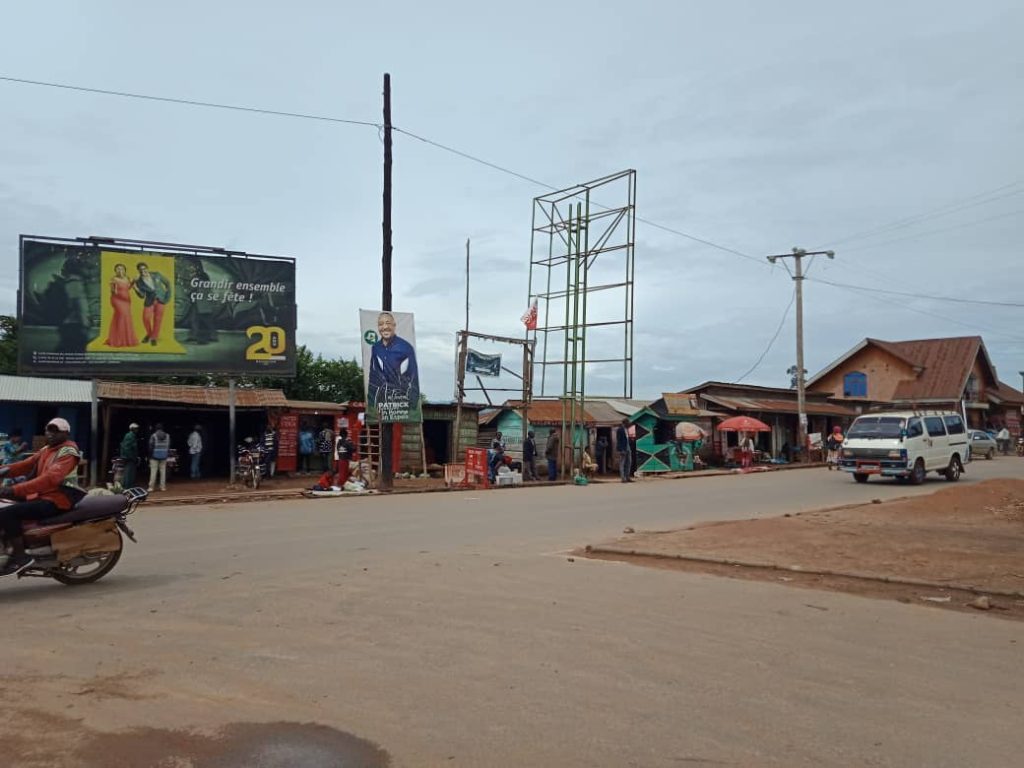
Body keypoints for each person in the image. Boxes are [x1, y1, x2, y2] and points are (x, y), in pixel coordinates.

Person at [0, 417, 83, 576]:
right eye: (48, 430)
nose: (50, 434)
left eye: (55, 430)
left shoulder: (68, 451)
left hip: (58, 499)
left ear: (66, 433)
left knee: (8, 513)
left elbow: (50, 479)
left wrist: (14, 489)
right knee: (5, 503)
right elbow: (24, 465)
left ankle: (20, 556)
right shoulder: (46, 449)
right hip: (42, 494)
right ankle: (8, 544)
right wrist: (3, 469)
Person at [368, 312, 419, 418]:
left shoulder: (406, 348)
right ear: (378, 327)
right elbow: (373, 375)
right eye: (381, 324)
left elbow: (413, 376)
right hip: (382, 403)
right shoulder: (376, 348)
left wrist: (412, 405)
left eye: (388, 323)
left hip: (400, 402)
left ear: (394, 325)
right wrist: (372, 403)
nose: (385, 327)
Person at [133, 262, 171, 346]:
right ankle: (149, 334)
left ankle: (154, 338)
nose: (143, 271)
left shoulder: (156, 274)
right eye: (140, 270)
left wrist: (167, 297)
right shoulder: (139, 281)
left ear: (147, 268)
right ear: (139, 271)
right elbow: (142, 296)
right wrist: (136, 288)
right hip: (149, 301)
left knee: (158, 320)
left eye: (144, 269)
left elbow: (167, 283)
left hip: (160, 300)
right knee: (146, 318)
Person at [105, 263, 138, 347]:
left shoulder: (127, 278)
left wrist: (133, 281)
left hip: (127, 301)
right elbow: (113, 293)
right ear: (115, 270)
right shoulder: (114, 279)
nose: (120, 270)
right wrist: (112, 286)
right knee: (121, 316)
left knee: (126, 318)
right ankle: (118, 341)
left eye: (122, 269)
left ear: (124, 270)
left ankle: (125, 340)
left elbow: (128, 288)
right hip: (117, 300)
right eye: (118, 269)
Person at [148, 423, 171, 492]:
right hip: (164, 455)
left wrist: (150, 455)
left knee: (153, 471)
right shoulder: (167, 436)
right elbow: (168, 446)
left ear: (156, 428)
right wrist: (166, 453)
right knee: (163, 472)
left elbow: (150, 446)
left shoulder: (153, 436)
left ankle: (151, 487)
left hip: (154, 456)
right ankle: (163, 487)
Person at [119, 423, 140, 488]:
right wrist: (132, 457)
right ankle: (127, 487)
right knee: (129, 473)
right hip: (129, 458)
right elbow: (127, 448)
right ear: (133, 429)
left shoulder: (131, 435)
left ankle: (127, 486)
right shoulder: (130, 436)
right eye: (136, 429)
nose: (137, 430)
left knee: (128, 472)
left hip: (129, 457)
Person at [616, 419, 632, 483]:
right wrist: (621, 449)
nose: (629, 424)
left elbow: (627, 439)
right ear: (625, 423)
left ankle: (627, 477)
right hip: (623, 449)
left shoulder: (626, 429)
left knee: (629, 463)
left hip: (628, 448)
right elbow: (619, 440)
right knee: (622, 463)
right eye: (628, 423)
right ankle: (623, 478)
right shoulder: (620, 430)